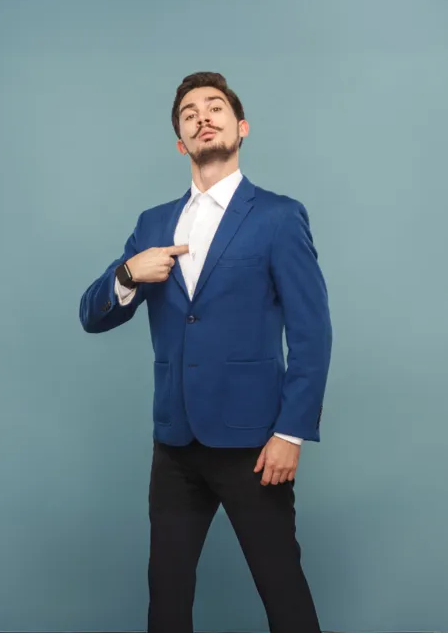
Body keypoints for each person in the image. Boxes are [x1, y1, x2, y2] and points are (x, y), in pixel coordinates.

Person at [79, 71, 333, 633]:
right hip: (174, 444)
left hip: (254, 446)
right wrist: (128, 272)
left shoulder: (278, 216)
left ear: (241, 128)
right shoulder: (153, 223)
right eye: (189, 114)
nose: (202, 118)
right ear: (181, 143)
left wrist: (291, 433)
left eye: (214, 107)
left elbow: (312, 333)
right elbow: (92, 316)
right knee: (166, 600)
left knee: (284, 594)